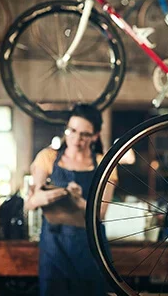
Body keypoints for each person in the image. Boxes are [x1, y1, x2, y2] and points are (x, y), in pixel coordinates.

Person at [25, 104, 115, 296]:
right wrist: (48, 195)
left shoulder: (105, 164)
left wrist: (78, 200)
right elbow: (30, 203)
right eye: (72, 130)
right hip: (54, 246)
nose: (76, 138)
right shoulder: (47, 158)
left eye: (84, 134)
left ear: (95, 136)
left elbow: (100, 214)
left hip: (91, 248)